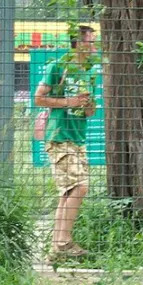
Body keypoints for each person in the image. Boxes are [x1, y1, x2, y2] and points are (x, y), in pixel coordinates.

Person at [34, 25, 98, 262]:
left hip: (78, 137)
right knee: (80, 187)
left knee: (69, 191)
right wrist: (68, 101)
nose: (94, 47)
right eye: (91, 42)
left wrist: (89, 105)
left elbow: (90, 110)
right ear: (78, 43)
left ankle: (57, 248)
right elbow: (39, 98)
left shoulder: (90, 70)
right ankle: (63, 242)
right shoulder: (58, 65)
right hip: (59, 135)